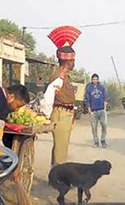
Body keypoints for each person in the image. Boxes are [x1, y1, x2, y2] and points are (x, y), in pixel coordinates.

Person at [43, 26, 81, 167]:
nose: (74, 63)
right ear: (68, 61)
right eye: (73, 60)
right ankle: (58, 178)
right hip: (61, 114)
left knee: (59, 147)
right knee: (61, 149)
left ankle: (55, 175)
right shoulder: (59, 76)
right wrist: (46, 115)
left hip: (64, 113)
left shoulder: (63, 75)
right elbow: (48, 97)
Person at [85, 74, 108, 148]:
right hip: (93, 111)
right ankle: (96, 142)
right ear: (91, 80)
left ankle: (103, 140)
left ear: (98, 80)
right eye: (93, 79)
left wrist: (104, 108)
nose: (95, 80)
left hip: (101, 110)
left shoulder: (102, 87)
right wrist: (89, 110)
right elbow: (87, 99)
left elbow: (105, 98)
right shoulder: (89, 88)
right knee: (94, 127)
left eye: (96, 79)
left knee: (104, 125)